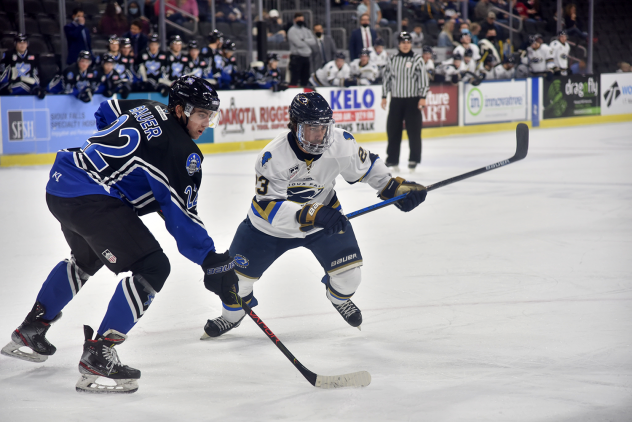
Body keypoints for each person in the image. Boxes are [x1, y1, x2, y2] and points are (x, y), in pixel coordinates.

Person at [1, 76, 236, 395]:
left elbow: (105, 111)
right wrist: (211, 260)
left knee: (84, 259)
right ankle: (100, 353)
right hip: (90, 199)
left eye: (211, 114)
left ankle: (32, 327)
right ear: (180, 110)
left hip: (62, 181)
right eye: (201, 114)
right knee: (154, 266)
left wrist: (120, 174)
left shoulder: (148, 106)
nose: (207, 122)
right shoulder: (182, 152)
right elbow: (182, 220)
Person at [201, 91, 427, 338]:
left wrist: (395, 188)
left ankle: (337, 297)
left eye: (324, 128)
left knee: (350, 278)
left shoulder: (341, 143)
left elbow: (370, 168)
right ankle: (231, 318)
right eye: (312, 128)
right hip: (268, 229)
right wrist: (310, 213)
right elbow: (269, 207)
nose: (320, 135)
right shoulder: (272, 157)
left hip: (324, 221)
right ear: (295, 126)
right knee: (235, 284)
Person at [381, 32, 429, 173]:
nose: (406, 45)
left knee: (414, 132)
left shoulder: (417, 59)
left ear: (411, 44)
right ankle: (392, 159)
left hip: (413, 101)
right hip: (396, 100)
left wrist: (423, 96)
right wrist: (384, 96)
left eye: (408, 42)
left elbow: (423, 79)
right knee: (393, 130)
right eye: (403, 42)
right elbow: (386, 78)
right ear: (399, 44)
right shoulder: (392, 59)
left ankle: (414, 159)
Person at [0, 33, 46, 99]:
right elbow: (2, 73)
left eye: (24, 43)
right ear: (15, 43)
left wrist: (37, 87)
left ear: (27, 44)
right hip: (12, 85)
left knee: (39, 92)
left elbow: (37, 74)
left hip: (29, 85)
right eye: (20, 43)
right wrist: (4, 86)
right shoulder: (8, 55)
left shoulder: (34, 56)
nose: (22, 45)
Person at [287, 13, 316, 86]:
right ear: (294, 20)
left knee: (305, 78)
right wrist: (307, 43)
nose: (300, 20)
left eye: (301, 19)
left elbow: (313, 41)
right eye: (298, 19)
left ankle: (304, 95)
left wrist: (304, 40)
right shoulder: (292, 31)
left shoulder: (307, 30)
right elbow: (298, 43)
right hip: (296, 57)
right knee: (294, 79)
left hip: (306, 57)